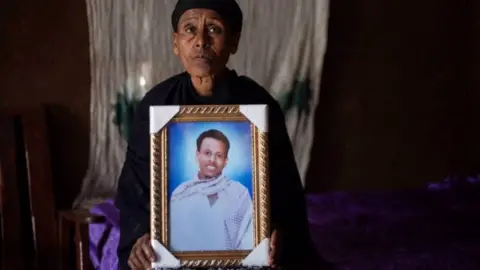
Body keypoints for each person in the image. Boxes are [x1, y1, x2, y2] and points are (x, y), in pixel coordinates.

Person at [115, 0, 331, 269]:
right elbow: (135, 189)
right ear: (176, 42)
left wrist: (275, 232)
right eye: (190, 29)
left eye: (214, 30)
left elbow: (284, 190)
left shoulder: (258, 105)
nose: (200, 41)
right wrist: (140, 238)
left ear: (233, 42)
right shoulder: (156, 105)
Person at [169, 129, 253, 252]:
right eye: (207, 153)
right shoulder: (180, 194)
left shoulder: (239, 194)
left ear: (226, 161)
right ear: (197, 155)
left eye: (219, 155)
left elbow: (248, 240)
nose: (212, 160)